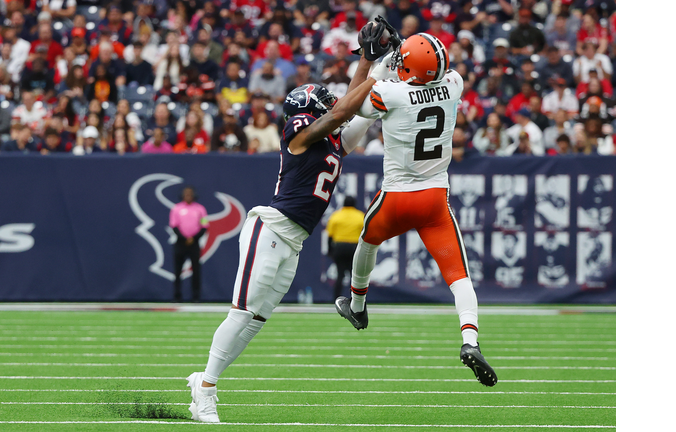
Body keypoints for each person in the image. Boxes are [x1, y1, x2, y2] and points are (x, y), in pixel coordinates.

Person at [186, 20, 396, 423]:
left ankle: (205, 381)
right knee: (241, 312)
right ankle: (207, 389)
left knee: (255, 322)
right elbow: (342, 112)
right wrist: (379, 73)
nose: (332, 102)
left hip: (294, 240)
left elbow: (355, 116)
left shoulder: (332, 138)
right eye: (325, 101)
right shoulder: (299, 132)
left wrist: (371, 63)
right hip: (270, 227)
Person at [335, 33, 498, 388]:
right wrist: (404, 61)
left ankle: (358, 307)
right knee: (459, 277)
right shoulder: (454, 84)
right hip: (435, 200)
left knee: (366, 240)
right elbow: (430, 76)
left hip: (397, 197)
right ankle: (470, 340)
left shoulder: (390, 93)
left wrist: (381, 64)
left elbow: (353, 106)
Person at [169, 186, 209, 303]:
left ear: (194, 195)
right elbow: (174, 225)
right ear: (182, 195)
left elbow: (204, 225)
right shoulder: (176, 208)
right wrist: (184, 238)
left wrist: (194, 238)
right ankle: (177, 296)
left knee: (196, 270)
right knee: (177, 271)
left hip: (194, 244)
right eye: (186, 194)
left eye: (190, 194)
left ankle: (196, 296)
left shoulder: (200, 209)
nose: (188, 196)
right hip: (180, 243)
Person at [326, 196, 365, 302]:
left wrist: (330, 250)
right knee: (354, 275)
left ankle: (336, 299)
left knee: (340, 275)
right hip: (354, 247)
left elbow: (330, 236)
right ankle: (355, 299)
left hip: (339, 247)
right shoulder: (360, 216)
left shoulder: (336, 216)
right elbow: (365, 234)